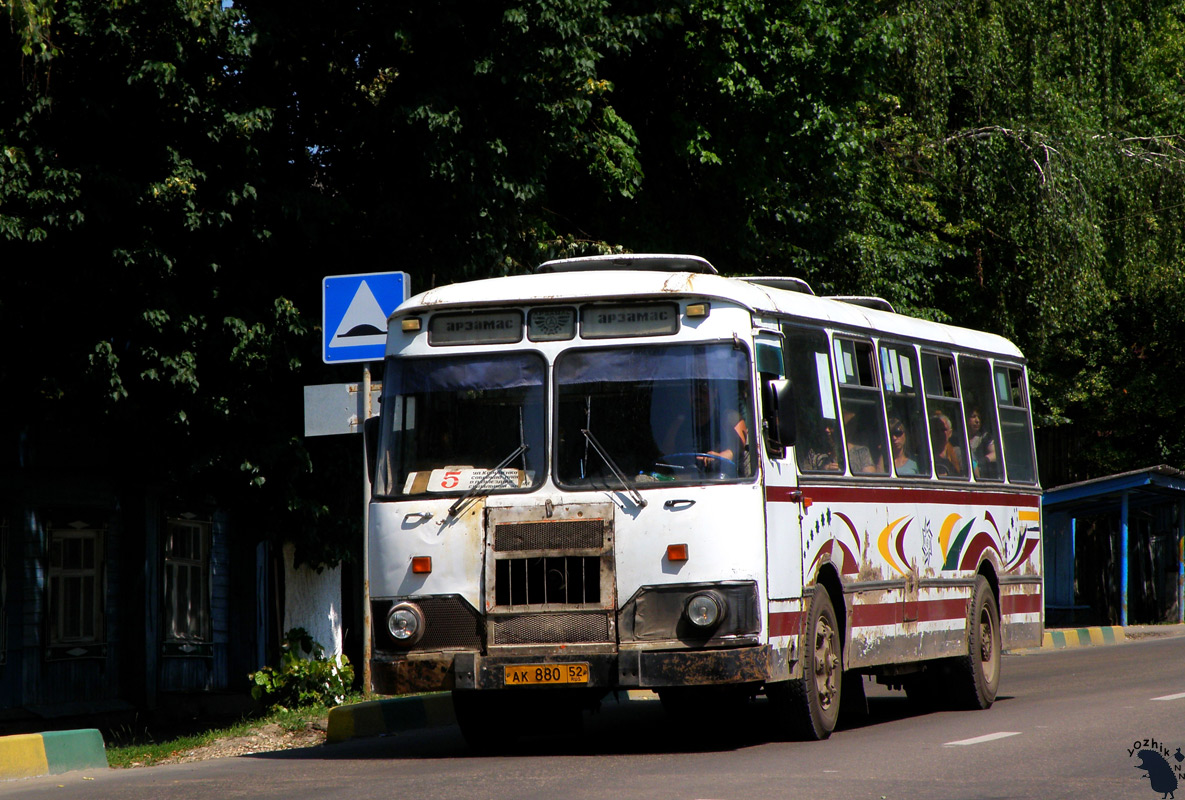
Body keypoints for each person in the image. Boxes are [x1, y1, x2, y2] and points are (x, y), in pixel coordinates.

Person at [659, 381, 749, 475]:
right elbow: (666, 459)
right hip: (686, 480)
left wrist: (722, 456)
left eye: (703, 391)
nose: (697, 396)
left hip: (723, 480)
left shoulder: (729, 419)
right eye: (693, 392)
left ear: (714, 393)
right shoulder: (679, 424)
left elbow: (740, 448)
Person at [966, 406, 998, 479]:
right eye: (973, 417)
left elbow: (995, 454)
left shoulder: (985, 437)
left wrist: (981, 461)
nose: (977, 420)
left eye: (979, 417)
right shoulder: (960, 439)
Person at [930, 411, 963, 476]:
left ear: (950, 433)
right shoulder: (927, 454)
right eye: (936, 430)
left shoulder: (959, 453)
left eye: (943, 430)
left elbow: (976, 476)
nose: (939, 434)